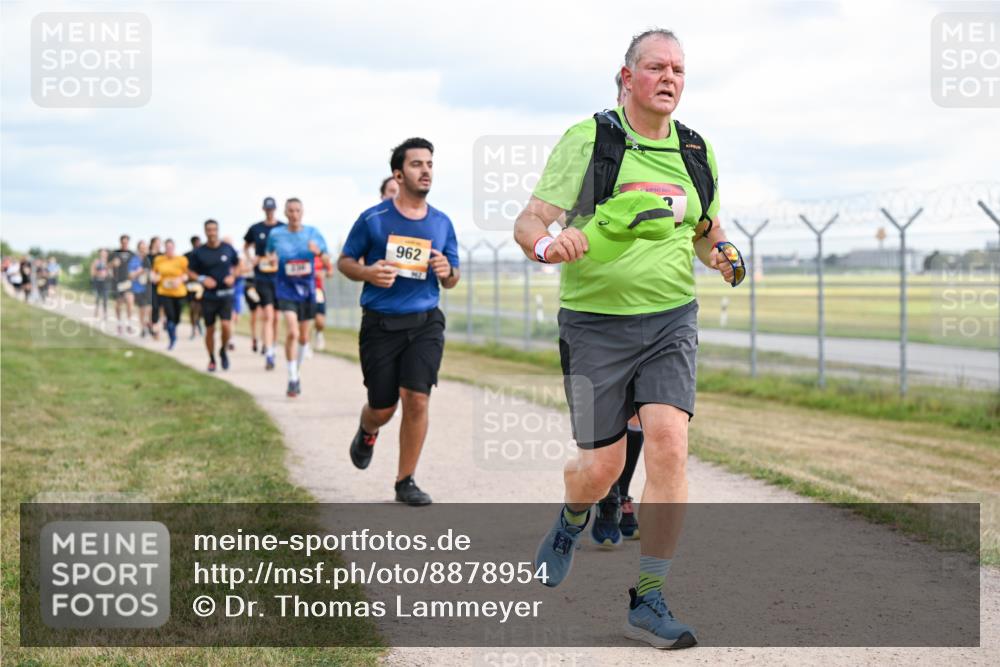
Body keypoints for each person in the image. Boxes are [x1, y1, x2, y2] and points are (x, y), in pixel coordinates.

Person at [514, 29, 744, 649]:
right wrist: (547, 244)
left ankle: (648, 598)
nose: (669, 77)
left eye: (678, 69)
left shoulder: (696, 148)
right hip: (594, 323)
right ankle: (571, 519)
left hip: (671, 318)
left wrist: (718, 251)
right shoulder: (591, 140)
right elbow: (530, 219)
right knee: (601, 466)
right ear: (627, 77)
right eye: (656, 67)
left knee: (669, 443)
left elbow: (703, 225)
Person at [338, 137, 460, 506]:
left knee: (417, 399)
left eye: (429, 164)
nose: (425, 170)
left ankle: (405, 480)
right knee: (383, 406)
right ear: (398, 173)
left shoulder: (441, 223)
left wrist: (447, 270)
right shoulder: (373, 220)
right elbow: (344, 261)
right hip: (380, 324)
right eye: (416, 164)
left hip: (424, 323)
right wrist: (368, 273)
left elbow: (453, 276)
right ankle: (368, 429)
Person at [593, 69, 643, 546]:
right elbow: (566, 216)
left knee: (643, 415)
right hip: (600, 310)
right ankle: (607, 491)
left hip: (656, 309)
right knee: (605, 423)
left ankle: (621, 494)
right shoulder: (598, 150)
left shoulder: (672, 153)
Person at [263, 198, 330, 397]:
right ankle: (292, 377)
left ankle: (296, 371)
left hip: (307, 290)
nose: (294, 214)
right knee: (292, 331)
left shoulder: (312, 233)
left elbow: (327, 261)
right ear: (285, 213)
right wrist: (272, 259)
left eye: (297, 210)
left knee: (303, 336)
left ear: (303, 212)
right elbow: (269, 255)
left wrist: (318, 253)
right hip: (285, 288)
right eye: (290, 211)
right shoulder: (276, 234)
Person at [187, 220, 239, 372]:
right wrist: (203, 279)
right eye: (209, 230)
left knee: (226, 325)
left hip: (226, 294)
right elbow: (190, 272)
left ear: (218, 230)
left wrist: (233, 276)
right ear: (205, 231)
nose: (212, 233)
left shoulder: (227, 249)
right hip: (209, 296)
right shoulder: (199, 252)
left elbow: (238, 264)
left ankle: (223, 350)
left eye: (214, 229)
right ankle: (211, 358)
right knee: (210, 329)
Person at [244, 197, 286, 370]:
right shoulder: (256, 228)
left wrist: (280, 258)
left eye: (272, 209)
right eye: (267, 209)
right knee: (267, 315)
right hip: (262, 277)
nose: (269, 212)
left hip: (279, 277)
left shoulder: (282, 228)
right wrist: (250, 259)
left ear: (275, 209)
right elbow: (246, 246)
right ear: (263, 209)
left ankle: (273, 346)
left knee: (276, 317)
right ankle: (268, 352)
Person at [153, 239, 189, 350]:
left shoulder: (182, 260)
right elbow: (154, 272)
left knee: (177, 318)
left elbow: (187, 275)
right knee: (170, 316)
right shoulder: (159, 259)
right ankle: (172, 338)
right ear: (165, 248)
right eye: (167, 247)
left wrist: (180, 280)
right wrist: (154, 277)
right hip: (164, 291)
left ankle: (172, 327)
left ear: (174, 248)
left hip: (179, 292)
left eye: (171, 247)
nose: (169, 249)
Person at [110, 235, 136, 334]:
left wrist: (135, 273)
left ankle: (129, 324)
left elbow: (137, 266)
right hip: (117, 282)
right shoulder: (114, 253)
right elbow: (107, 266)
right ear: (120, 242)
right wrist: (112, 263)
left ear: (128, 243)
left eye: (126, 242)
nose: (125, 244)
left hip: (128, 282)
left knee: (130, 302)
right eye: (123, 242)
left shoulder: (132, 254)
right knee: (118, 305)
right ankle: (119, 324)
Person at [129, 240, 152, 337]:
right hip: (139, 288)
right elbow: (130, 275)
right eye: (141, 249)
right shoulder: (134, 260)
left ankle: (149, 323)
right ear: (138, 249)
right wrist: (139, 271)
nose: (143, 250)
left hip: (149, 286)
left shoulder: (150, 259)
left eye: (145, 248)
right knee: (142, 308)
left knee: (150, 308)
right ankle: (143, 328)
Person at [312, 253, 333, 351]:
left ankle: (318, 334)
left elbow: (330, 272)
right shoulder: (301, 254)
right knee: (305, 319)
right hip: (304, 291)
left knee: (320, 321)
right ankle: (305, 345)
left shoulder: (321, 257)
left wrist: (323, 274)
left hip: (318, 291)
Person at [185, 236, 204, 339]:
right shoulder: (187, 256)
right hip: (191, 285)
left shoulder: (204, 255)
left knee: (201, 308)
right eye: (195, 243)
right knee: (192, 307)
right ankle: (193, 329)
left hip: (202, 285)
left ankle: (198, 321)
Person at [148, 237, 164, 340]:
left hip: (162, 284)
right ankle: (154, 327)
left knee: (161, 307)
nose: (159, 244)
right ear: (153, 243)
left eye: (160, 243)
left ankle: (157, 327)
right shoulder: (148, 256)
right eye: (157, 242)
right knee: (154, 306)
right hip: (151, 285)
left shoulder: (163, 256)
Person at [91, 249, 111, 319]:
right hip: (97, 282)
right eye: (102, 253)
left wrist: (107, 274)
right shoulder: (96, 262)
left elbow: (112, 273)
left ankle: (105, 313)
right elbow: (92, 273)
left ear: (107, 254)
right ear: (100, 254)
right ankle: (96, 311)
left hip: (106, 282)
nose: (103, 254)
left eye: (105, 253)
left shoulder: (109, 262)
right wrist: (98, 273)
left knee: (105, 298)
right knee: (97, 297)